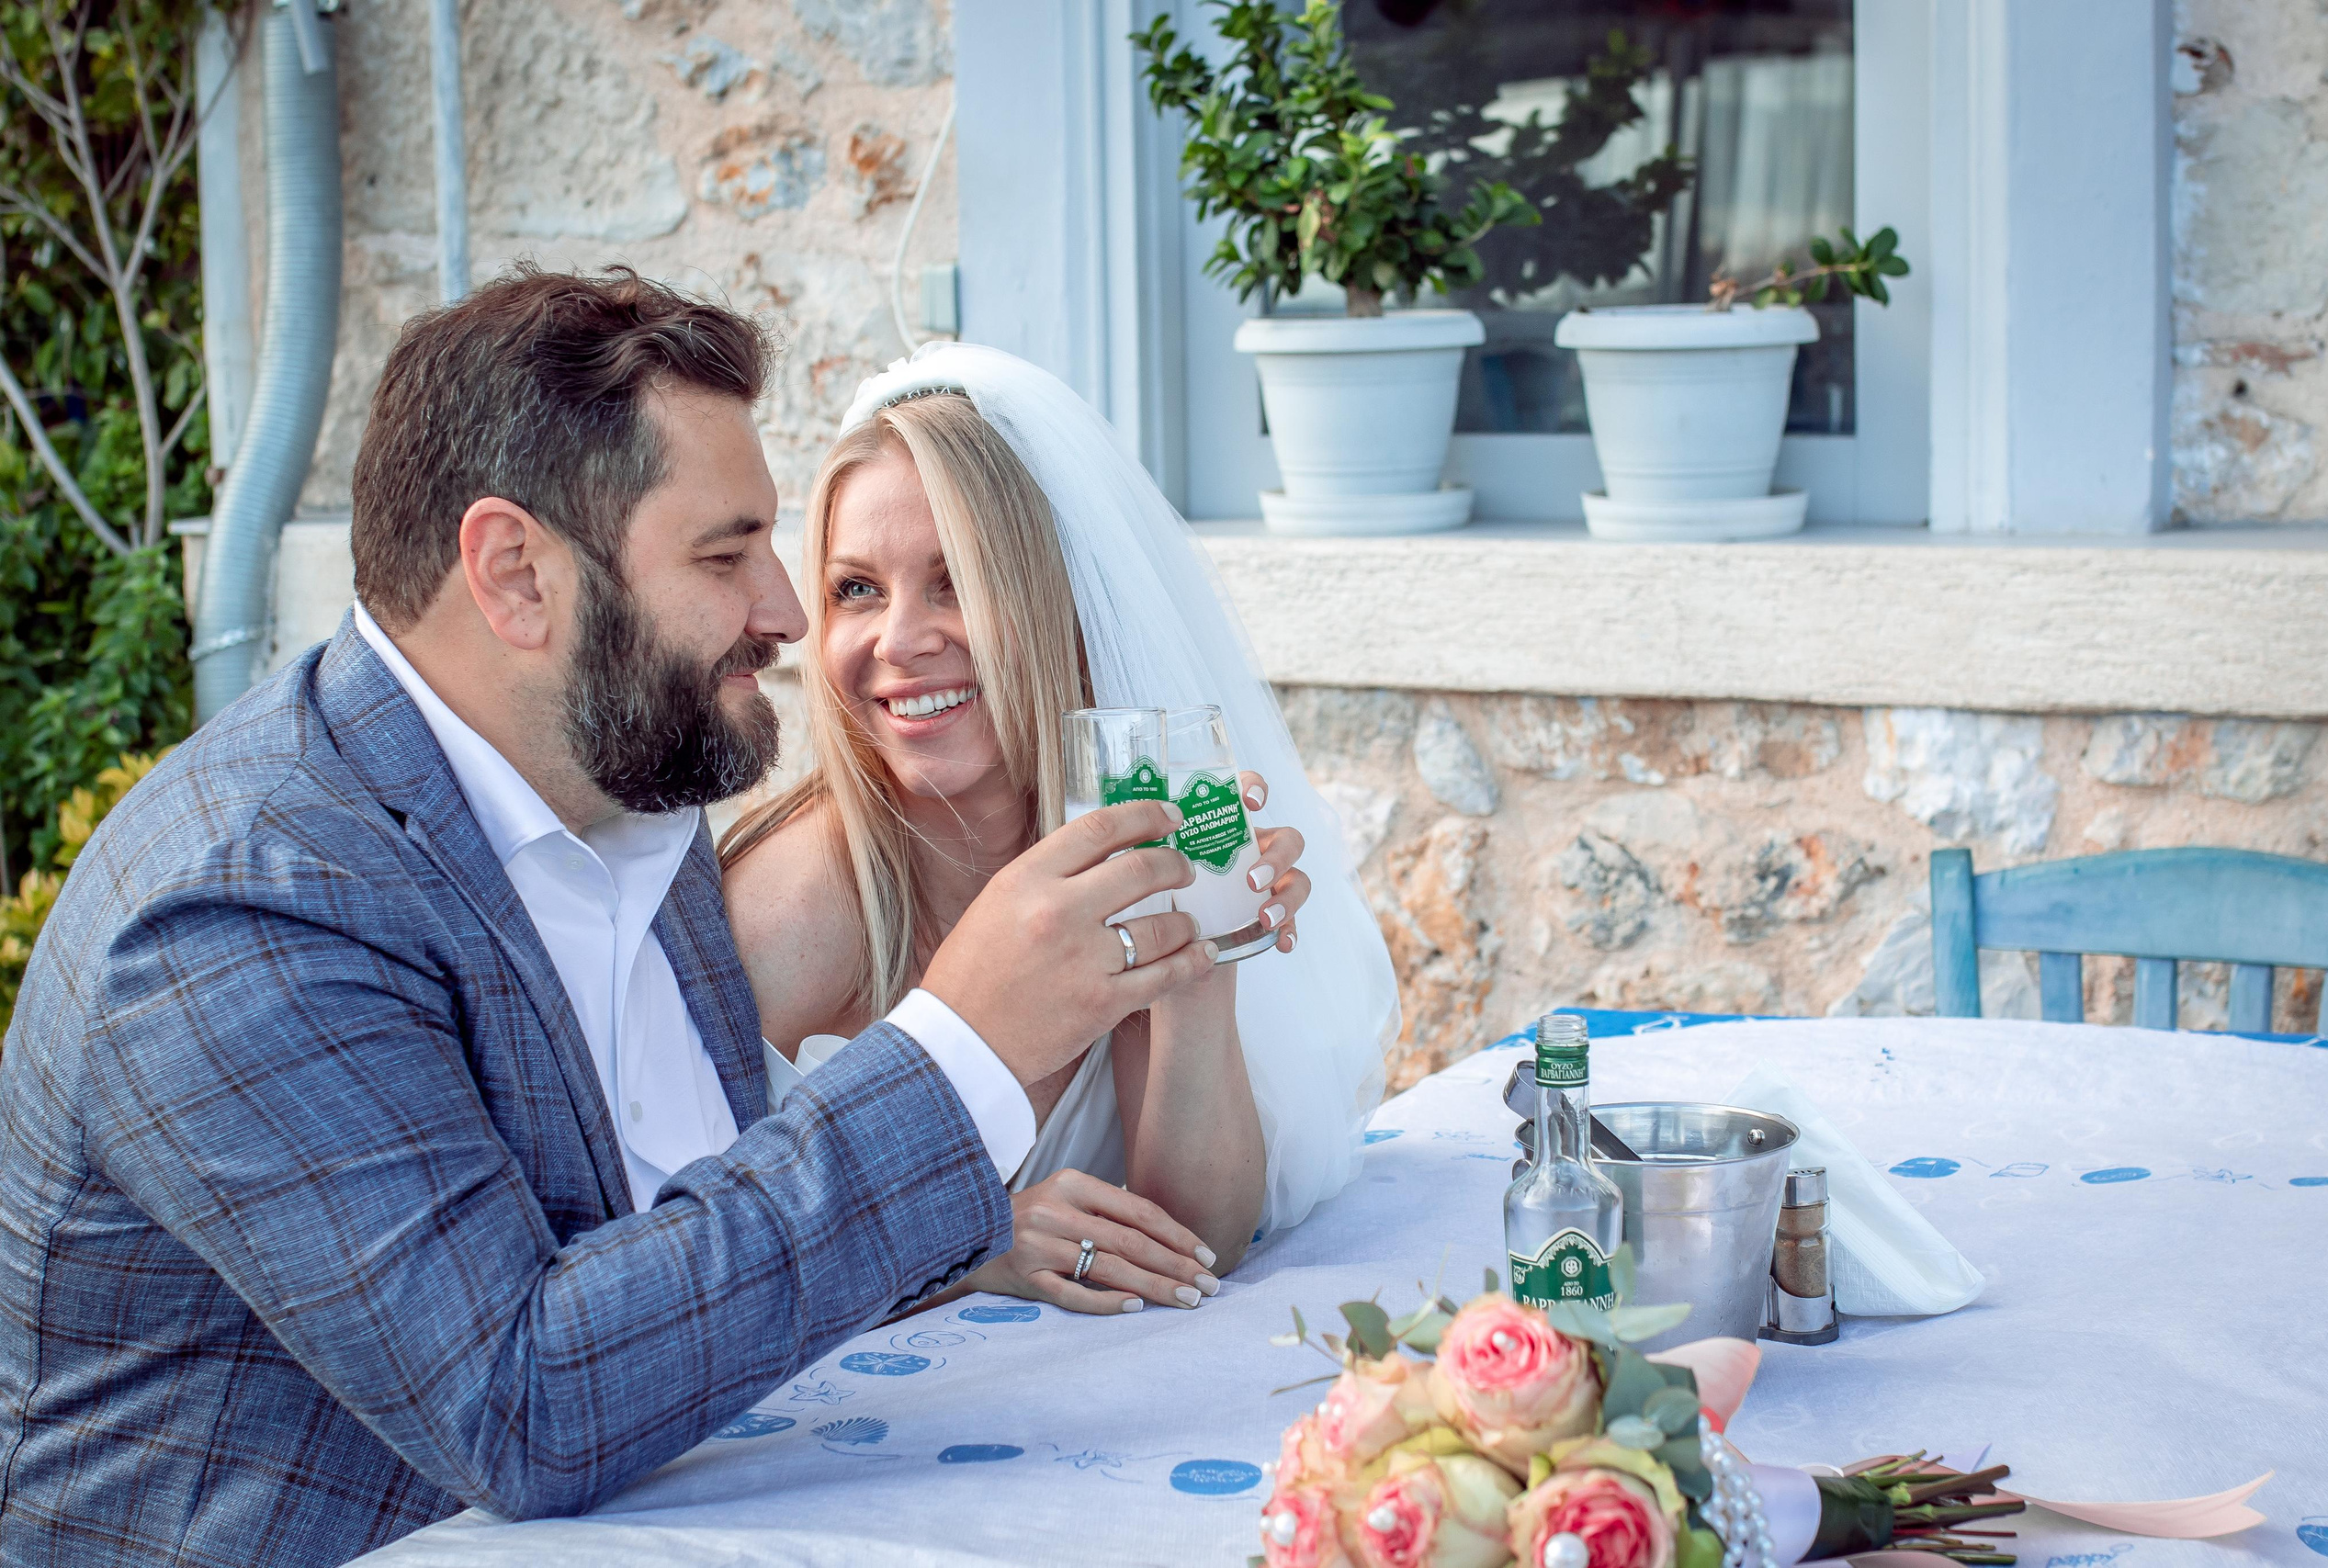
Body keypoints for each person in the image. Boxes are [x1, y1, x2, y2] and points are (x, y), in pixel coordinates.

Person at [0, 269, 1237, 1567]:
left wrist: (959, 1237)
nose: (788, 612)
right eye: (725, 553)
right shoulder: (245, 912)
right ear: (515, 573)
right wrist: (959, 1045)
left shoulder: (627, 794)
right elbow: (525, 1405)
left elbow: (671, 1254)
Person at [721, 344, 1398, 1314]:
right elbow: (694, 1273)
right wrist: (966, 1246)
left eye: (955, 582)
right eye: (856, 590)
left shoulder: (1104, 853)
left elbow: (1193, 1240)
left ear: (1056, 610)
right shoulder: (787, 911)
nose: (900, 640)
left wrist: (1203, 954)